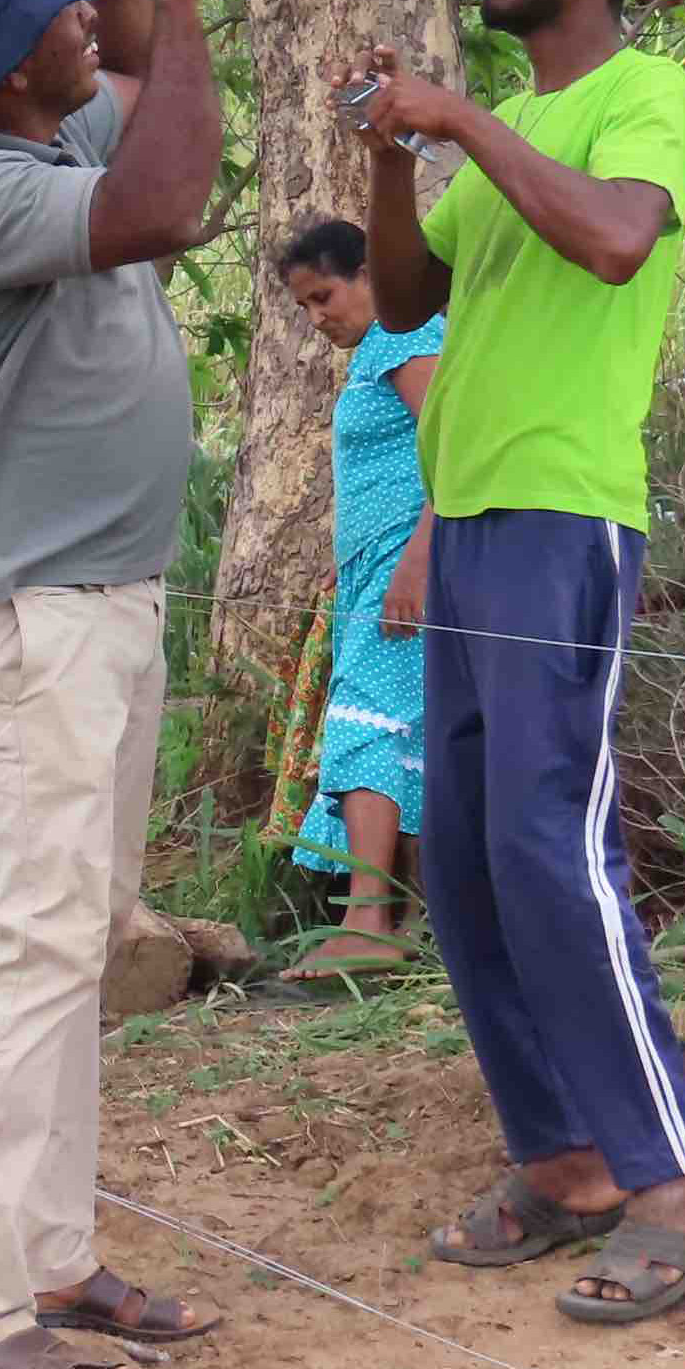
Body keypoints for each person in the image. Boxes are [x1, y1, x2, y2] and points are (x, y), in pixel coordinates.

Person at [342, 0, 685, 1324]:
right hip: (476, 511)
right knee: (464, 854)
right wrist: (399, 156)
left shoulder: (647, 99)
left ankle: (677, 1175)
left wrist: (460, 121)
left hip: (567, 516)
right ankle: (567, 1159)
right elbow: (404, 297)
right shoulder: (515, 119)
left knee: (547, 838)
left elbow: (623, 239)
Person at [0, 0, 260, 1369]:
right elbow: (176, 193)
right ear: (1, 63)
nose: (82, 27)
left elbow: (140, 87)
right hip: (37, 622)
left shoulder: (45, 142)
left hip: (97, 606)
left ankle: (51, 1256)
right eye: (56, 10)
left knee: (81, 937)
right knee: (38, 949)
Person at [269, 219, 442, 979]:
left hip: (405, 578)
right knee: (403, 735)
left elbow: (455, 450)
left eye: (325, 296)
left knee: (364, 730)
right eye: (304, 306)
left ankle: (368, 918)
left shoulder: (408, 338)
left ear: (371, 274)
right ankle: (409, 918)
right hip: (374, 576)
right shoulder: (378, 350)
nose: (317, 318)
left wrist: (416, 563)